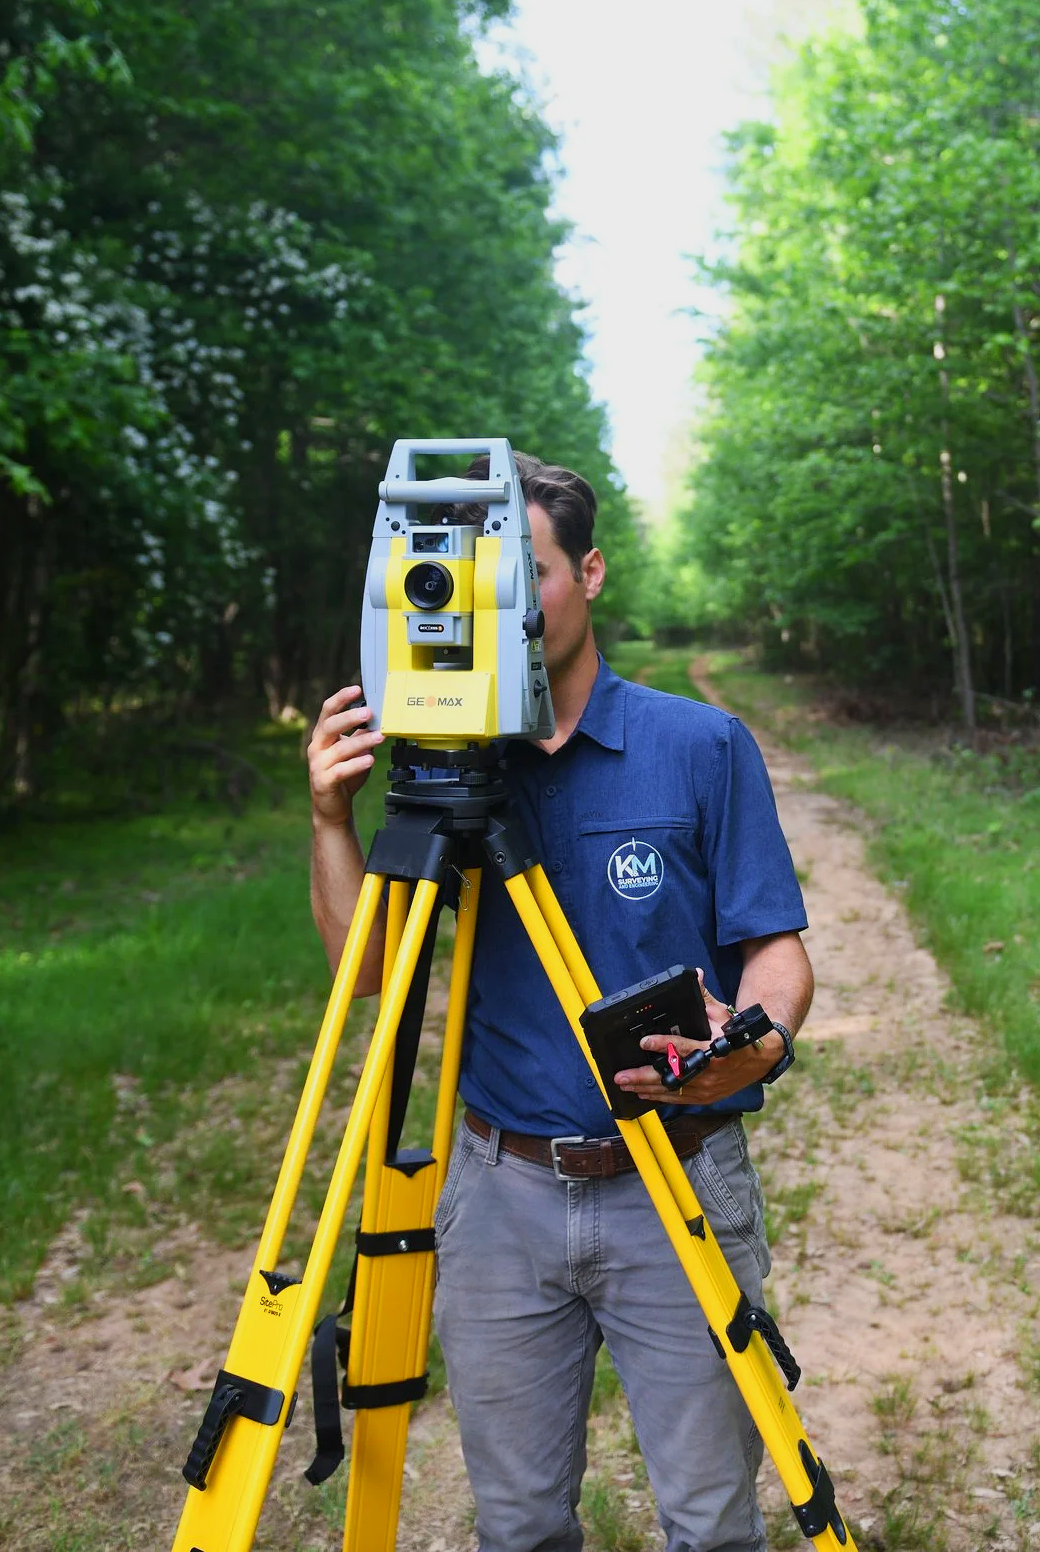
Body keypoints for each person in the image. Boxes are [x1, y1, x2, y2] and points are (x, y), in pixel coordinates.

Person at [303, 454, 812, 1552]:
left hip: (675, 1169)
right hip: (498, 1196)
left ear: (588, 571)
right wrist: (334, 823)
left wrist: (752, 1045)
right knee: (521, 1524)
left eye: (525, 573)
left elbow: (775, 948)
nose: (504, 605)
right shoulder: (453, 769)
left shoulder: (699, 744)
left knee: (712, 1521)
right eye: (479, 576)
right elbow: (372, 975)